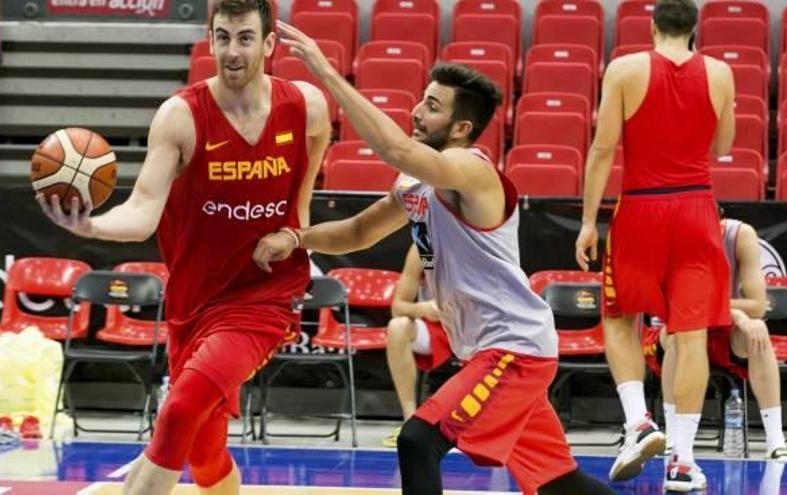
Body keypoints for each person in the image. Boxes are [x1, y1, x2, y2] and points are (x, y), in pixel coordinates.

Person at [253, 21, 615, 495]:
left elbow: (396, 149)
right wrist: (297, 238)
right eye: (422, 99)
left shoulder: (471, 169)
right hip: (491, 348)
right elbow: (359, 232)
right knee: (561, 482)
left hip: (514, 350)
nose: (416, 111)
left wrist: (325, 71)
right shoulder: (418, 182)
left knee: (418, 441)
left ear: (462, 128)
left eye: (432, 106)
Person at [36, 1, 331, 494]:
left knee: (181, 410)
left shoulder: (306, 105)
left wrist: (296, 232)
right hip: (194, 302)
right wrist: (93, 227)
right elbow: (143, 210)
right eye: (222, 37)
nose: (232, 51)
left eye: (244, 37)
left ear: (270, 44)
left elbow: (312, 157)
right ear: (209, 40)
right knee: (205, 453)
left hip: (265, 297)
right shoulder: (181, 116)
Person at [573, 0, 736, 491]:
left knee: (621, 318)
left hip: (641, 206)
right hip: (696, 209)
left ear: (651, 26)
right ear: (694, 30)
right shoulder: (722, 73)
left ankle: (639, 421)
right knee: (690, 336)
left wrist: (586, 222)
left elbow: (603, 150)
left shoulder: (624, 68)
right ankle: (683, 461)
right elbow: (723, 146)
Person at [644, 218, 787, 463]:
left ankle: (776, 442)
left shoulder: (740, 236)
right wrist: (737, 313)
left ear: (719, 222)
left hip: (724, 329)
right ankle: (674, 439)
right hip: (677, 328)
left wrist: (739, 318)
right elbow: (675, 308)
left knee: (758, 330)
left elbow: (757, 306)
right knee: (676, 337)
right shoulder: (673, 238)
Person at [382, 244, 452, 448]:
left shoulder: (480, 241)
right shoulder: (424, 248)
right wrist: (422, 308)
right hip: (436, 329)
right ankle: (409, 420)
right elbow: (398, 307)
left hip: (476, 327)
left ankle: (488, 426)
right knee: (398, 326)